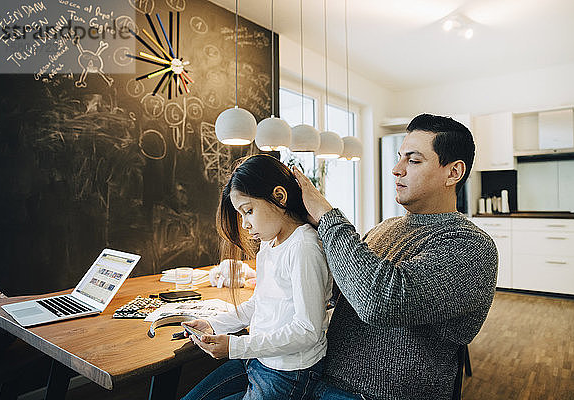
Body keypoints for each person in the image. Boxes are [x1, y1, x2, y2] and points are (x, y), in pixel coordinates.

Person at [292, 114, 498, 400]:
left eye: (413, 161)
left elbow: (379, 302)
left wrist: (328, 217)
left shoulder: (471, 247)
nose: (396, 169)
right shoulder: (385, 227)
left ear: (453, 172)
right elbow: (345, 287)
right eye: (400, 157)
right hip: (321, 376)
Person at [181, 154, 332, 400]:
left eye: (248, 211)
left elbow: (308, 331)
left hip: (287, 372)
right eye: (241, 215)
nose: (245, 224)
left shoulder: (304, 246)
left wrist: (235, 347)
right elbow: (260, 303)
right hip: (257, 358)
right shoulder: (269, 243)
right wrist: (215, 324)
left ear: (279, 197)